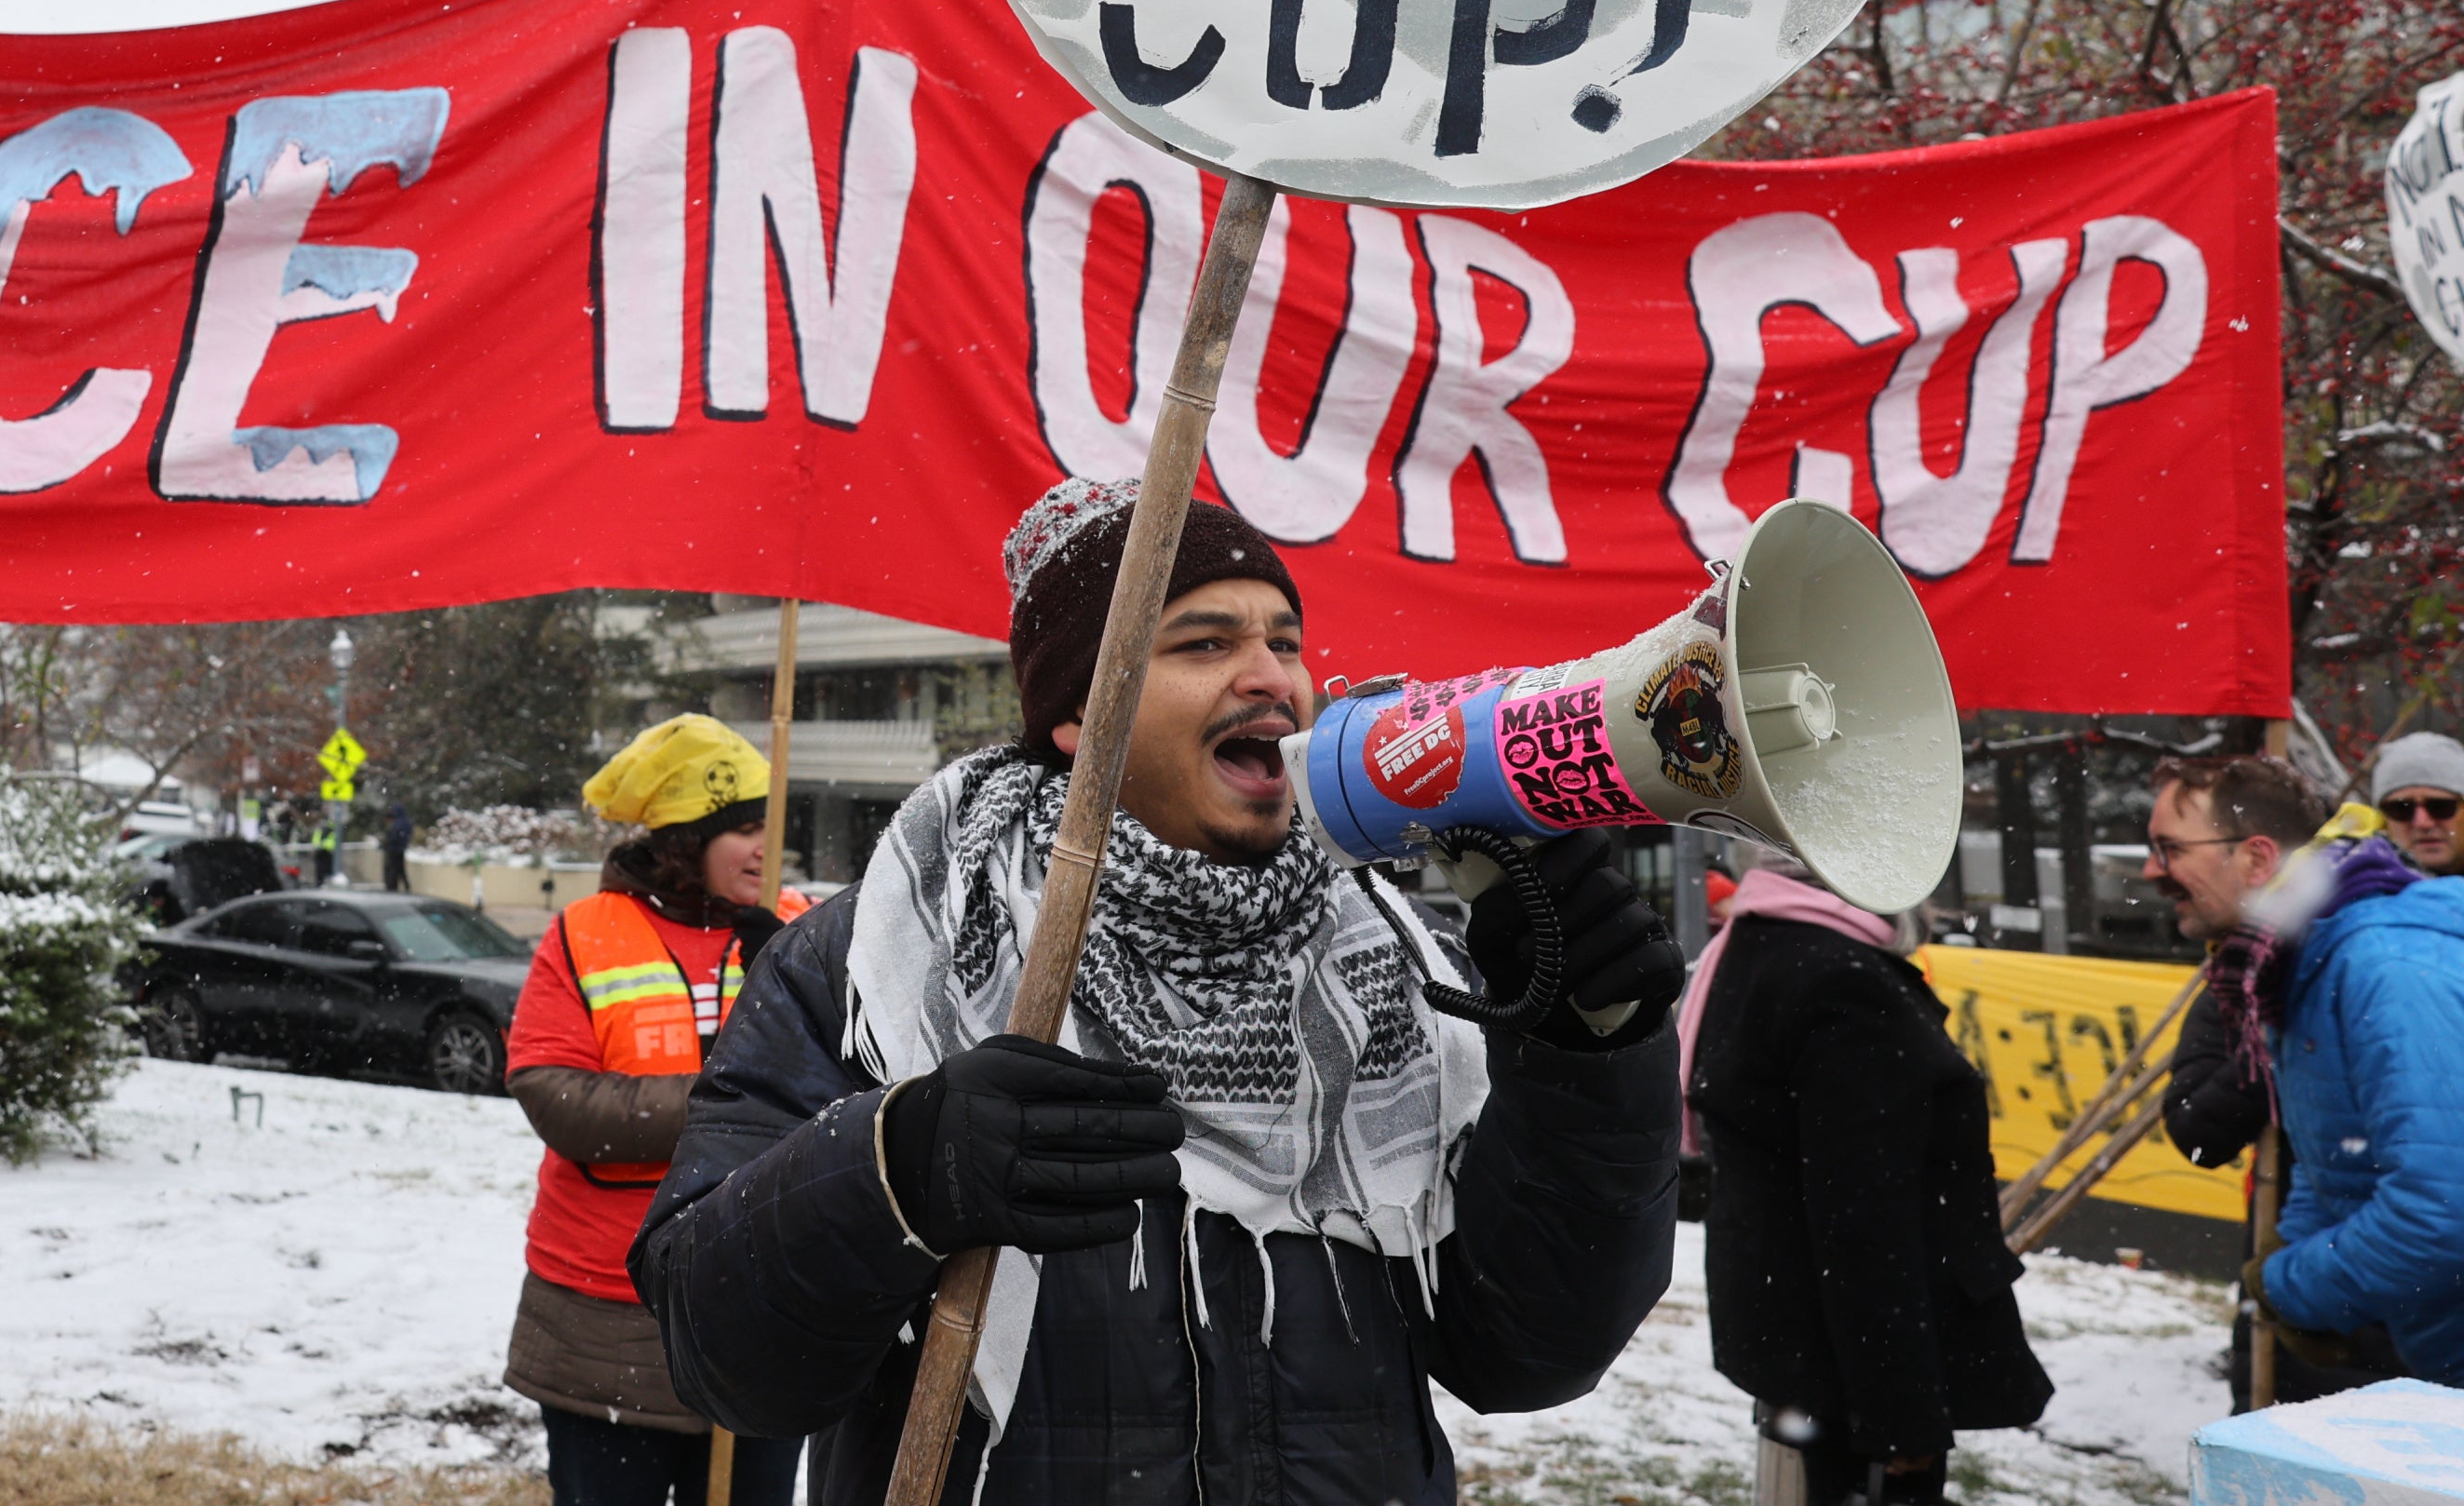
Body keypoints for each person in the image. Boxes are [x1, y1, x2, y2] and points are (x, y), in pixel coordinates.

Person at [632, 478, 1687, 1506]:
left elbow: (1527, 1352)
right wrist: (897, 1167)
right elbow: (724, 1359)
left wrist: (1588, 1057)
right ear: (1078, 714)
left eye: (1284, 640)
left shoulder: (1404, 969)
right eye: (1204, 643)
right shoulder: (885, 956)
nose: (1271, 677)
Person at [504, 715, 807, 1506]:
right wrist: (728, 1103)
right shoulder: (586, 931)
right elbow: (557, 1098)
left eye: (767, 828)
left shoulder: (803, 925)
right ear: (683, 840)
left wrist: (795, 971)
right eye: (741, 828)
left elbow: (858, 1076)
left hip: (763, 1299)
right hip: (606, 1310)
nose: (761, 849)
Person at [1684, 849, 2048, 1504]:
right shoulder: (1841, 981)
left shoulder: (1763, 943)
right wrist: (1900, 1419)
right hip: (1847, 1367)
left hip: (1803, 1347)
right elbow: (1865, 1227)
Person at [2147, 753, 2448, 1400]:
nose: (2151, 870)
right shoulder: (2297, 962)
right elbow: (2333, 1150)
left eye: (2169, 847)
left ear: (2257, 859)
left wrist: (2289, 1286)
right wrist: (2293, 1255)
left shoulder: (2384, 962)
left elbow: (2440, 1207)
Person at [2370, 731, 2463, 878]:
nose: (2422, 823)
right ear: (2383, 820)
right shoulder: (2348, 892)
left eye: (2440, 807)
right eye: (2401, 809)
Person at [380, 794, 416, 895]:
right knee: (400, 870)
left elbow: (393, 836)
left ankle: (393, 889)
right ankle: (405, 887)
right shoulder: (406, 822)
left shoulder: (397, 823)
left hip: (393, 850)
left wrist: (387, 842)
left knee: (393, 871)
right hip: (400, 850)